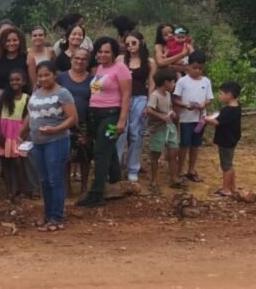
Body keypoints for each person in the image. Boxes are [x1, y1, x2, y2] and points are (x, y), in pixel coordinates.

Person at [23, 61, 77, 232]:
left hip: (56, 141)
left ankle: (57, 217)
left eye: (47, 75)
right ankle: (47, 215)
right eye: (40, 76)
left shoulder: (63, 93)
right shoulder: (36, 92)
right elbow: (31, 115)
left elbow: (72, 118)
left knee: (55, 180)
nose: (43, 78)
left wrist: (55, 129)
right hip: (38, 142)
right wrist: (21, 133)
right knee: (44, 180)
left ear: (55, 74)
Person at [78, 37, 131, 208]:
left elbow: (126, 96)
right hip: (95, 115)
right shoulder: (100, 68)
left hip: (111, 116)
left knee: (101, 153)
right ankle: (115, 182)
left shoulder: (121, 69)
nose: (103, 55)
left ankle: (96, 194)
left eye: (107, 52)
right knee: (108, 149)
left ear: (114, 52)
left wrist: (122, 120)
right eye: (100, 51)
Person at [118, 32, 156, 182]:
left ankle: (133, 168)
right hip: (122, 98)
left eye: (133, 43)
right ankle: (115, 167)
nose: (130, 47)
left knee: (136, 134)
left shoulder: (149, 62)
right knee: (120, 133)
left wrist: (149, 104)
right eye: (127, 44)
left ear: (141, 42)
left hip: (140, 98)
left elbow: (151, 84)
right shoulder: (121, 59)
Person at [173, 51, 213, 185]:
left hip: (200, 119)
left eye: (200, 68)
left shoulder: (206, 81)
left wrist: (203, 105)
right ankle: (180, 170)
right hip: (186, 118)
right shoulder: (182, 81)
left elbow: (210, 99)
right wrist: (185, 105)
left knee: (195, 145)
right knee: (184, 144)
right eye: (194, 68)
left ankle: (191, 169)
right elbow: (176, 99)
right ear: (188, 66)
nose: (197, 71)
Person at [57, 48, 94, 195]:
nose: (79, 61)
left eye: (83, 59)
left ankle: (84, 186)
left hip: (85, 123)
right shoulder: (61, 78)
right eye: (76, 58)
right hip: (64, 122)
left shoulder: (92, 80)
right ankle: (67, 187)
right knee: (65, 155)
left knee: (85, 155)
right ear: (71, 59)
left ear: (88, 62)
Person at [0, 69, 31, 202]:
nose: (15, 82)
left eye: (18, 80)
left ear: (24, 82)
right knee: (5, 162)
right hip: (4, 132)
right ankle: (9, 191)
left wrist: (23, 134)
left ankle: (20, 190)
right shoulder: (3, 97)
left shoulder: (27, 98)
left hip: (17, 133)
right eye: (12, 80)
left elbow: (27, 117)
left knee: (18, 162)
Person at [146, 68, 181, 194]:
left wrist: (172, 113)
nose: (174, 85)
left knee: (173, 151)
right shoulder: (155, 95)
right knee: (155, 154)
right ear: (166, 82)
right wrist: (161, 116)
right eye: (173, 82)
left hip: (169, 126)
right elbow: (149, 110)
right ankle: (154, 181)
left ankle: (174, 177)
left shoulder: (167, 95)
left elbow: (169, 108)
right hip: (158, 128)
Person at [205, 81, 242, 198]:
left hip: (226, 140)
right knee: (229, 164)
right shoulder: (236, 107)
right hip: (232, 139)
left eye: (221, 93)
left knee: (226, 166)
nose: (219, 96)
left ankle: (226, 190)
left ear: (229, 95)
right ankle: (232, 186)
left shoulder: (228, 110)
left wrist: (206, 119)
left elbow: (217, 122)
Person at [0, 27, 28, 96]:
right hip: (4, 98)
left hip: (24, 97)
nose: (11, 43)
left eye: (15, 40)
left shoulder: (27, 58)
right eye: (8, 41)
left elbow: (33, 84)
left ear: (20, 41)